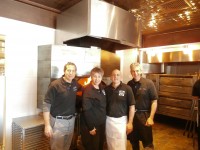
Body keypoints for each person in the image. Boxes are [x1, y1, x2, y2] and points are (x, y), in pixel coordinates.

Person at [43, 62, 81, 150]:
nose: (71, 73)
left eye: (73, 71)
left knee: (66, 146)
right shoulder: (55, 85)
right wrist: (47, 125)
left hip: (71, 121)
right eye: (68, 70)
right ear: (64, 71)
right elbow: (46, 104)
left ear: (75, 73)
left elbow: (84, 89)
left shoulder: (75, 83)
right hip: (58, 122)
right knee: (57, 148)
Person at [127, 62, 158, 150]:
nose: (135, 73)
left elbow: (154, 101)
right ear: (130, 72)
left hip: (144, 117)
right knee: (133, 142)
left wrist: (151, 117)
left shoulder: (148, 83)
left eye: (137, 71)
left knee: (148, 144)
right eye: (133, 71)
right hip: (132, 118)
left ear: (141, 71)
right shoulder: (129, 84)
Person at [105, 69, 135, 150]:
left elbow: (132, 106)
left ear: (121, 77)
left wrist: (130, 123)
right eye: (113, 75)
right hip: (109, 120)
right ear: (111, 77)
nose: (116, 76)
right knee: (110, 142)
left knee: (121, 143)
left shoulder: (127, 88)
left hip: (121, 121)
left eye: (118, 75)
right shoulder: (106, 89)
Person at [80, 67, 106, 150]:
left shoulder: (102, 88)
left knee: (100, 146)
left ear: (101, 77)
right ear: (91, 77)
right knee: (93, 147)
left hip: (101, 123)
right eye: (95, 76)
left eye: (99, 76)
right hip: (93, 126)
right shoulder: (88, 90)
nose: (97, 79)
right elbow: (86, 110)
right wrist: (91, 127)